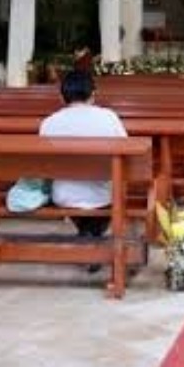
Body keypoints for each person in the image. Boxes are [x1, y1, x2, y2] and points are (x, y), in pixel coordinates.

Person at [38, 69, 126, 239]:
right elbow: (126, 155)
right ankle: (92, 231)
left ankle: (87, 230)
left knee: (73, 191)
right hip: (103, 195)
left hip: (63, 195)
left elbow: (45, 163)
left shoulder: (49, 123)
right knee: (106, 191)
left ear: (62, 97)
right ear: (93, 94)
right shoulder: (109, 117)